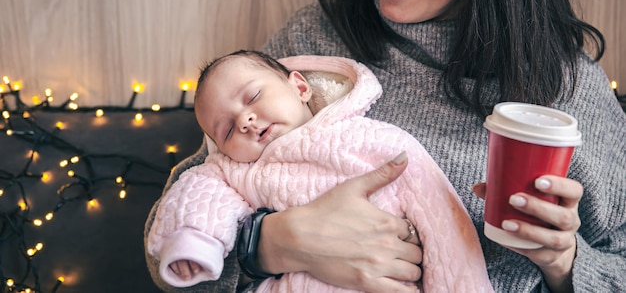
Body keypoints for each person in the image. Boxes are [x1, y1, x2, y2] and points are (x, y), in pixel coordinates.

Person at [145, 0, 626, 292]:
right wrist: (271, 244)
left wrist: (566, 264)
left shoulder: (565, 87)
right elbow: (178, 226)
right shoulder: (315, 45)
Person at [146, 50, 492, 292]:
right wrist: (195, 245)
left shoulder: (373, 139)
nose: (245, 120)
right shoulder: (232, 171)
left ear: (299, 87)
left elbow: (443, 227)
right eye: (227, 130)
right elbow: (196, 199)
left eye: (252, 98)